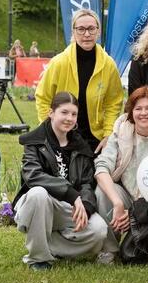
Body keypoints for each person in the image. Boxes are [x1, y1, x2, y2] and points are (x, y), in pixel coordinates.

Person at [12, 92, 107, 270]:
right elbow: (33, 175)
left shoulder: (80, 145)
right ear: (51, 113)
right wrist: (71, 194)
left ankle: (49, 245)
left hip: (66, 208)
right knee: (38, 194)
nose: (69, 118)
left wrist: (86, 206)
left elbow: (86, 183)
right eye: (64, 112)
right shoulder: (35, 141)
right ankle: (38, 258)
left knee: (99, 231)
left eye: (73, 114)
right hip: (38, 205)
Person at [94, 86, 148, 263]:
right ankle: (109, 249)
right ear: (131, 111)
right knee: (103, 190)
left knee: (134, 253)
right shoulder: (121, 130)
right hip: (128, 193)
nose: (143, 113)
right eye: (138, 108)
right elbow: (102, 167)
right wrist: (118, 203)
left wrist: (135, 213)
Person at [35, 9, 123, 152]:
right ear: (73, 32)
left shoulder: (109, 65)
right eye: (81, 29)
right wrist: (50, 130)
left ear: (98, 31)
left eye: (91, 29)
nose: (86, 34)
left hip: (96, 139)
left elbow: (113, 103)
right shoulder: (58, 63)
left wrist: (108, 134)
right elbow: (43, 98)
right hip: (62, 135)